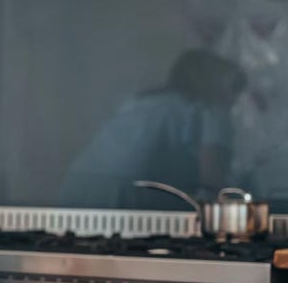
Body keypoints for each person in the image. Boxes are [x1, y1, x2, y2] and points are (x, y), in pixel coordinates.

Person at [59, 49, 246, 209]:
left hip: (79, 184)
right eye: (234, 87)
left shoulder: (143, 101)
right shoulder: (211, 111)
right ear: (217, 83)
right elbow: (213, 178)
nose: (236, 98)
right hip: (126, 195)